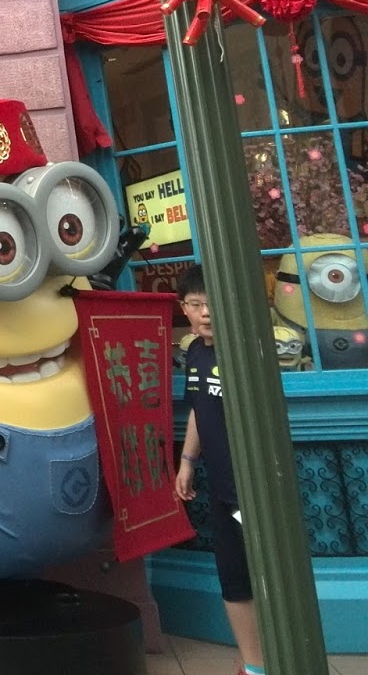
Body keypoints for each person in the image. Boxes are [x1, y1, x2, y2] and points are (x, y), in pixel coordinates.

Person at [175, 267, 264, 675]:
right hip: (223, 490)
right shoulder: (195, 352)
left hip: (256, 491)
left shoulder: (244, 351)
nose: (206, 313)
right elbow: (199, 408)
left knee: (267, 573)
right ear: (185, 309)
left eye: (213, 303)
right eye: (196, 304)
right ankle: (254, 665)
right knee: (233, 578)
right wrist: (187, 461)